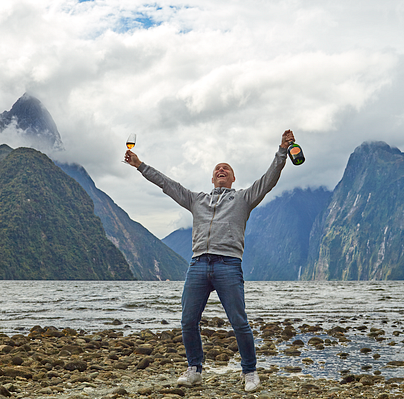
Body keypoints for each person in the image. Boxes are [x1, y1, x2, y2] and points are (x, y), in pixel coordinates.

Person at [124, 130, 296, 392]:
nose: (221, 169)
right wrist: (140, 166)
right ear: (212, 177)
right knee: (188, 320)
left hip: (228, 264)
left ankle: (249, 372)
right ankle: (194, 370)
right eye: (217, 168)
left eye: (226, 168)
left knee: (239, 321)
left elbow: (269, 180)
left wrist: (282, 151)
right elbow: (167, 184)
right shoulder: (196, 200)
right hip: (198, 265)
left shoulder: (243, 198)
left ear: (233, 178)